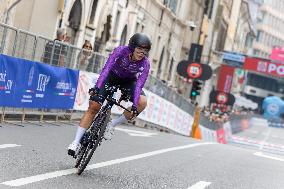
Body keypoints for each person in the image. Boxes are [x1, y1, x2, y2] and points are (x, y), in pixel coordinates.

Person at [67, 33, 152, 157]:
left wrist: (134, 105)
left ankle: (112, 124)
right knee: (94, 107)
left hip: (128, 82)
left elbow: (139, 84)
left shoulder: (145, 63)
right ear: (132, 47)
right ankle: (75, 143)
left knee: (142, 102)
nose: (141, 53)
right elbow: (106, 68)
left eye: (145, 51)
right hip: (111, 77)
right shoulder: (121, 51)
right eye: (139, 49)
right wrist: (97, 87)